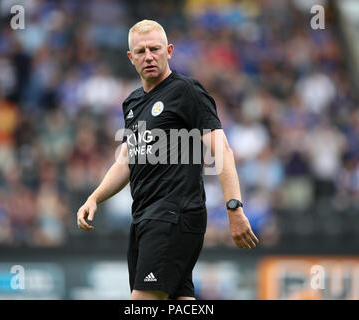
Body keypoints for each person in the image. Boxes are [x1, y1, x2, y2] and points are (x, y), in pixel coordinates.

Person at [76, 19, 259, 300]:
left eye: (155, 49)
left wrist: (234, 208)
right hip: (145, 219)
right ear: (130, 58)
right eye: (141, 51)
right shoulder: (133, 103)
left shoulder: (187, 91)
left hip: (174, 216)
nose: (148, 56)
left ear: (169, 51)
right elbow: (126, 160)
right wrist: (95, 197)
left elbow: (221, 149)